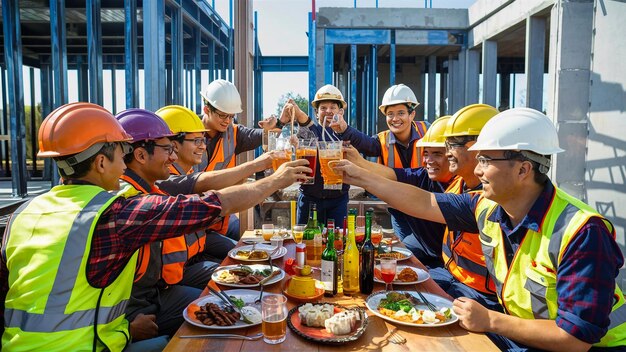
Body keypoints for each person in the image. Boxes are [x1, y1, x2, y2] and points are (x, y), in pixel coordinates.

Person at [0, 102, 310, 351]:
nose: (124, 162)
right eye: (120, 153)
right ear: (101, 162)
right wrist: (276, 180)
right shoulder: (116, 213)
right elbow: (210, 204)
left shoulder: (23, 213)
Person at [334, 107, 626, 350]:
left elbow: (575, 339)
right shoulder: (488, 207)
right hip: (522, 332)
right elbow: (424, 202)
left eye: (486, 160)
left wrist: (490, 321)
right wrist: (359, 176)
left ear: (524, 169)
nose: (476, 170)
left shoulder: (582, 233)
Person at [155, 104, 274, 262]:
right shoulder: (164, 180)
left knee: (248, 257)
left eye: (203, 140)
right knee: (242, 266)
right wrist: (261, 167)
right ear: (174, 146)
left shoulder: (186, 172)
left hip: (201, 241)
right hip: (179, 269)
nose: (203, 146)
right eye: (197, 141)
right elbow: (205, 184)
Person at [343, 116, 455, 268]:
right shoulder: (423, 174)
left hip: (448, 266)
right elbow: (391, 174)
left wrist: (359, 176)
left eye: (437, 154)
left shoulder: (463, 190)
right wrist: (359, 163)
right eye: (426, 153)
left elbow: (426, 203)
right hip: (426, 250)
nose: (428, 160)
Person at [329, 84, 428, 245]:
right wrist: (344, 129)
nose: (395, 119)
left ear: (412, 114)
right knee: (407, 249)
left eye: (401, 113)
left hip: (425, 207)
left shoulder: (429, 132)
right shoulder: (382, 140)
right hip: (400, 209)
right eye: (390, 114)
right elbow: (364, 142)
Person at [198, 79, 278, 241]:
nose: (227, 121)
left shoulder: (234, 134)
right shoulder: (188, 135)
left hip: (221, 217)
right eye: (222, 115)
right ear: (207, 109)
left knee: (251, 243)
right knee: (238, 251)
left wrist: (276, 124)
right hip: (195, 220)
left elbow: (262, 135)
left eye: (231, 116)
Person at [280, 84, 350, 225]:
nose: (328, 111)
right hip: (310, 199)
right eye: (323, 108)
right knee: (306, 241)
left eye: (333, 108)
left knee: (336, 242)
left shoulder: (347, 134)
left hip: (338, 200)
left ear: (340, 112)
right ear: (316, 113)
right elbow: (309, 127)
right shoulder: (308, 132)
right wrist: (297, 113)